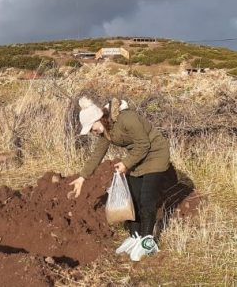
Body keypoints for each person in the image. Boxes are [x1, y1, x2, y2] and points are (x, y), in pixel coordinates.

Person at [68, 96, 171, 261]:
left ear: (98, 119)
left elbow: (144, 144)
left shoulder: (127, 119)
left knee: (146, 199)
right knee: (133, 197)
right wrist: (82, 178)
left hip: (156, 154)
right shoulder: (106, 130)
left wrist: (126, 163)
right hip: (138, 158)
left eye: (92, 128)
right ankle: (135, 236)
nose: (92, 132)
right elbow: (97, 154)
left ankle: (147, 241)